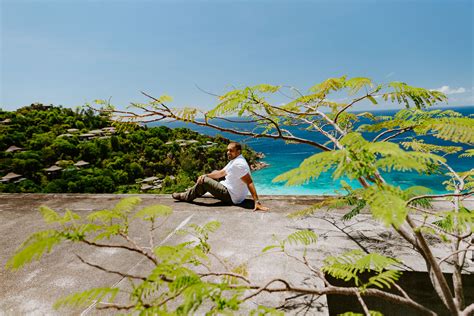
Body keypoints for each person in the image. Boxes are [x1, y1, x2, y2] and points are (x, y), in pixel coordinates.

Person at [172, 142, 269, 212]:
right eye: (227, 150)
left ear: (238, 151)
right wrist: (206, 174)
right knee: (212, 174)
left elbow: (249, 182)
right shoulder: (235, 160)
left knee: (204, 181)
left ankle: (185, 196)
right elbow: (221, 173)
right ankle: (195, 190)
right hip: (232, 191)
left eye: (231, 151)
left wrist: (257, 201)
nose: (228, 152)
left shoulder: (238, 164)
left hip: (232, 197)